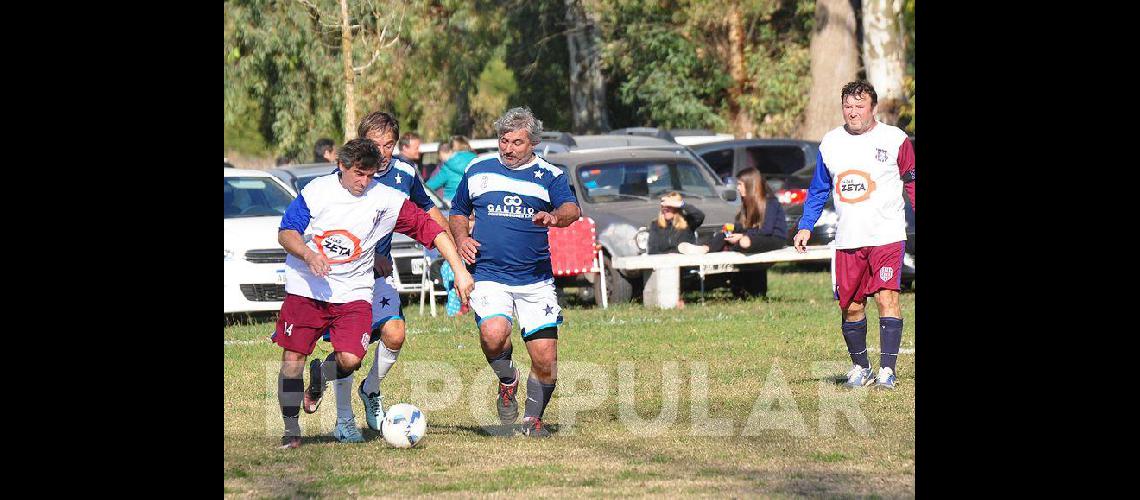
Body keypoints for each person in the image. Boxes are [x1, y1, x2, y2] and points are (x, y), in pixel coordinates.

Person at [272, 138, 473, 449]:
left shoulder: (386, 199)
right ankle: (291, 429)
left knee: (351, 358)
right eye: (358, 174)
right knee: (293, 358)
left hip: (353, 291)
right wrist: (309, 256)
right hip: (307, 287)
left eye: (369, 175)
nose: (363, 182)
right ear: (341, 167)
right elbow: (287, 232)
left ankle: (321, 373)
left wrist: (459, 270)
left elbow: (432, 230)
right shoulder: (317, 191)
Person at [448, 106, 581, 437]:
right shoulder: (478, 169)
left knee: (546, 360)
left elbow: (571, 209)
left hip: (535, 280)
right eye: (503, 141)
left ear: (533, 142)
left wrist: (555, 218)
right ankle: (508, 380)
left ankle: (532, 421)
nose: (508, 148)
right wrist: (462, 237)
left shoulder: (550, 175)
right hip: (490, 273)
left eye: (517, 142)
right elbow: (458, 210)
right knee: (493, 336)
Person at [792, 81, 915, 390]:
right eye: (848, 106)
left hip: (887, 235)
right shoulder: (830, 143)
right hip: (848, 239)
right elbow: (819, 189)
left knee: (887, 297)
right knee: (851, 307)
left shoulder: (895, 139)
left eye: (860, 107)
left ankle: (887, 370)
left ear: (872, 108)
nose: (853, 112)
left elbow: (912, 182)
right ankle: (861, 367)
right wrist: (806, 224)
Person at [678, 167, 787, 255]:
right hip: (753, 237)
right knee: (725, 234)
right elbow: (746, 226)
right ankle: (704, 249)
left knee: (745, 242)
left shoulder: (770, 202)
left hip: (773, 238)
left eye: (740, 184)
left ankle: (733, 247)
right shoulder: (748, 202)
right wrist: (734, 227)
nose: (738, 188)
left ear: (750, 185)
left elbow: (766, 231)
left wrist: (742, 236)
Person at [427, 135, 477, 203]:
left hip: (453, 206)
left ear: (452, 149)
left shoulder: (448, 166)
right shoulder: (478, 161)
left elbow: (428, 188)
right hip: (474, 205)